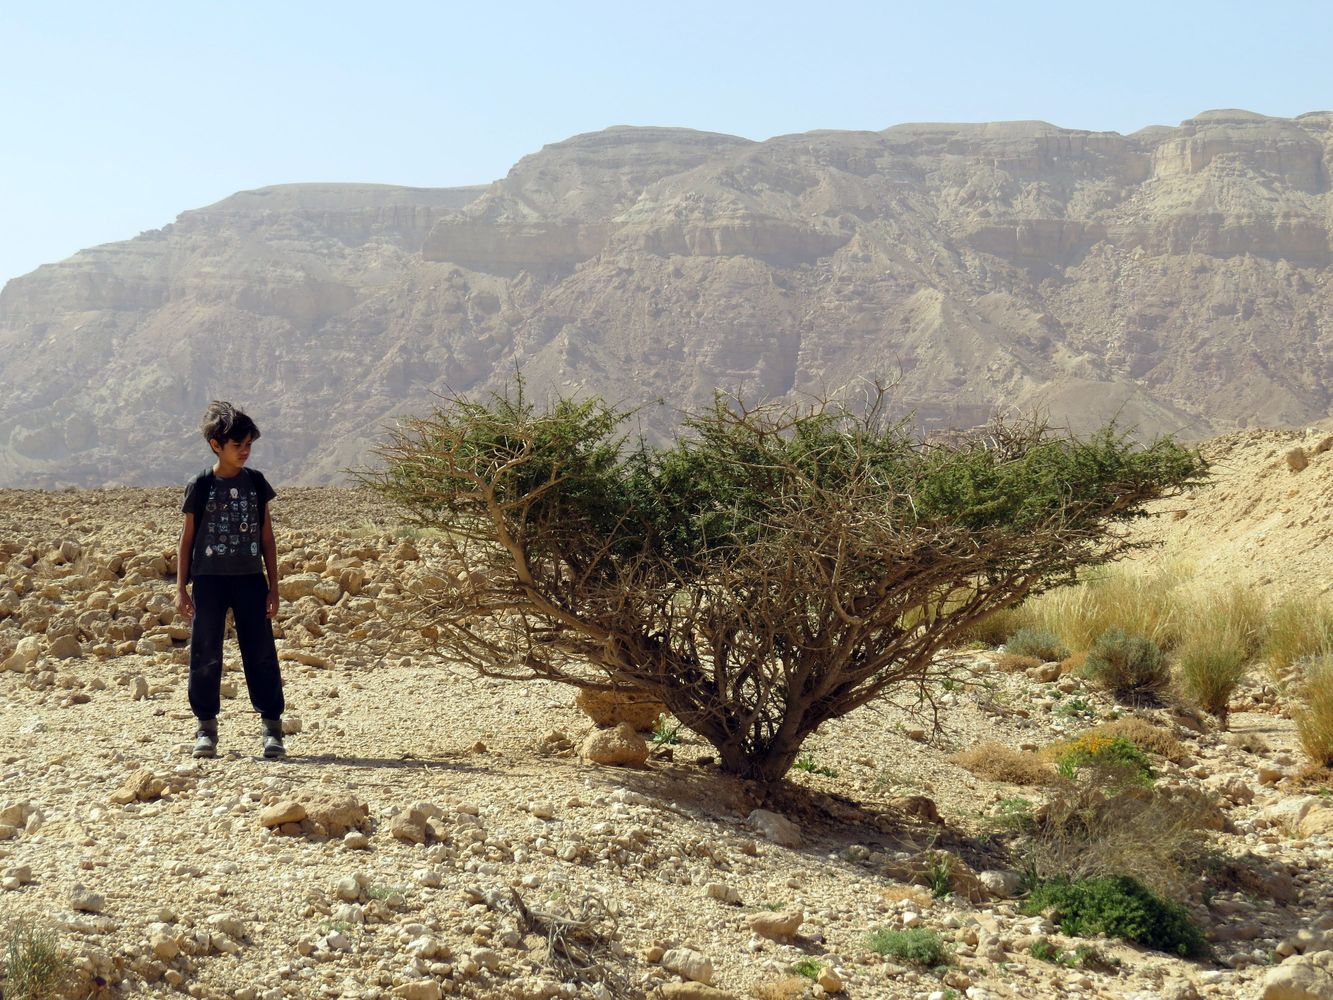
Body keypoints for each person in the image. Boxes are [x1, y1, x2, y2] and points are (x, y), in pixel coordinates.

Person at [175, 401, 286, 759]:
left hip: (250, 580)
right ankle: (206, 728)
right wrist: (181, 588)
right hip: (209, 581)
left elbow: (267, 538)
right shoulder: (201, 485)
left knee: (261, 653)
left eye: (249, 444)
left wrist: (274, 587)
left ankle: (272, 729)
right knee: (206, 653)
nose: (245, 451)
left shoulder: (255, 483)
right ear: (216, 445)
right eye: (238, 445)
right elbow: (187, 539)